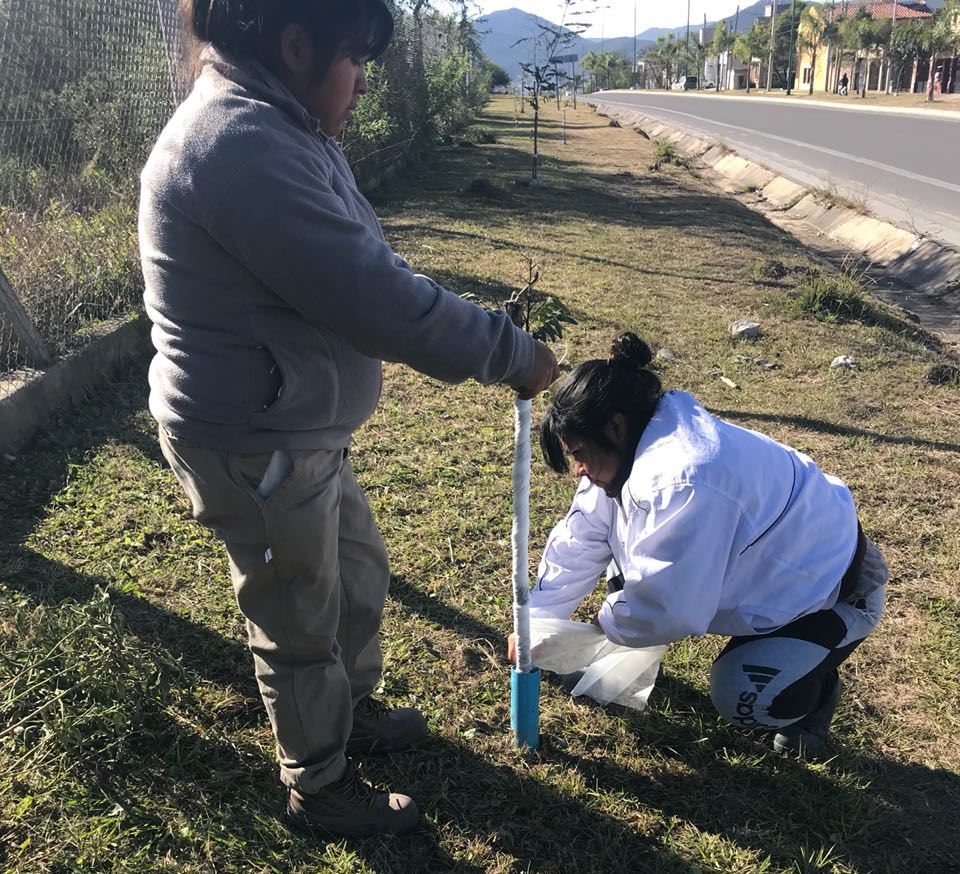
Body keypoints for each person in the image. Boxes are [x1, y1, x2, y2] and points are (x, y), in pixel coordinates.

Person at [139, 0, 560, 838]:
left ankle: (351, 712)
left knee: (359, 574)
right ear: (297, 46)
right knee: (298, 620)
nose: (363, 82)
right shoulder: (241, 145)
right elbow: (376, 299)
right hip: (255, 440)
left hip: (299, 429)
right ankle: (320, 785)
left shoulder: (286, 125)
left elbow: (367, 259)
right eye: (355, 59)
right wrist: (509, 351)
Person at [509, 333, 887, 756]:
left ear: (614, 425)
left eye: (579, 453)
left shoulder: (684, 478)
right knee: (633, 580)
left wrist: (601, 629)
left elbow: (671, 609)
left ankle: (812, 695)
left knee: (743, 695)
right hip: (762, 573)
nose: (578, 470)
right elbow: (579, 539)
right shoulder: (629, 446)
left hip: (834, 593)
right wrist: (539, 622)